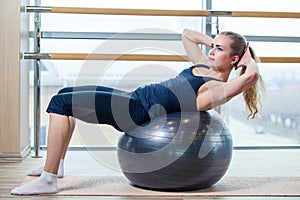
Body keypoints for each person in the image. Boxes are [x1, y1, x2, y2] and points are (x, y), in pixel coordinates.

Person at [11, 28, 263, 195]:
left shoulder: (216, 89)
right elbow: (187, 35)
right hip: (134, 99)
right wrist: (214, 42)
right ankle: (58, 164)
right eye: (213, 46)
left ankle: (49, 179)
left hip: (135, 112)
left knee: (61, 105)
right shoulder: (202, 67)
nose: (211, 51)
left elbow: (251, 75)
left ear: (234, 60)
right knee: (64, 95)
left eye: (219, 49)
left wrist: (247, 57)